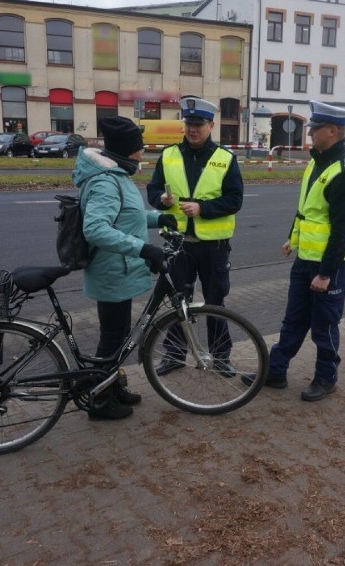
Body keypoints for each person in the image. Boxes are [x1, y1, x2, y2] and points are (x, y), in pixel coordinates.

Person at [246, 100, 345, 402]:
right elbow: (307, 211)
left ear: (332, 131)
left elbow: (343, 232)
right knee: (294, 320)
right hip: (305, 260)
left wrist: (326, 273)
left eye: (315, 128)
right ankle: (276, 371)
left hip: (329, 267)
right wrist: (292, 238)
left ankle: (326, 378)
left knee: (324, 327)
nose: (310, 133)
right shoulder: (317, 162)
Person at [74, 116, 177, 420]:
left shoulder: (118, 176)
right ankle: (101, 401)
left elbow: (128, 217)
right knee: (112, 337)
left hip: (121, 271)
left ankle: (113, 385)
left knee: (118, 336)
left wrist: (160, 218)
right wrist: (142, 248)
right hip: (111, 271)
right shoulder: (105, 182)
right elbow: (95, 229)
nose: (142, 153)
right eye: (139, 148)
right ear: (128, 150)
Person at [146, 96, 245, 377]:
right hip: (178, 244)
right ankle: (175, 354)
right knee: (179, 302)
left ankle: (221, 356)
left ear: (211, 125)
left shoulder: (225, 158)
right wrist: (161, 200)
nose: (193, 129)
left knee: (215, 303)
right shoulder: (168, 155)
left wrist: (203, 208)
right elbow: (153, 192)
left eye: (199, 124)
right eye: (189, 124)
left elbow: (235, 199)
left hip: (214, 246)